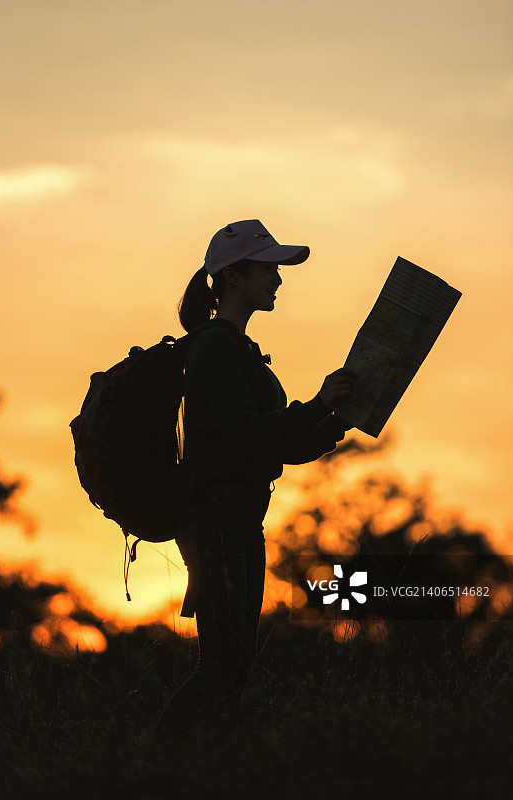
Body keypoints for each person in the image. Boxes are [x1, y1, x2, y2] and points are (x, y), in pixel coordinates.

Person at [154, 219, 356, 742]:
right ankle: (152, 765)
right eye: (268, 269)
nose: (278, 279)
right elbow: (246, 436)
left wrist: (335, 419)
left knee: (235, 667)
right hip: (218, 520)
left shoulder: (241, 351)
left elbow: (280, 446)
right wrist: (316, 406)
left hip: (241, 522)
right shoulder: (216, 347)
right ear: (234, 276)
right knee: (221, 666)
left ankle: (204, 765)